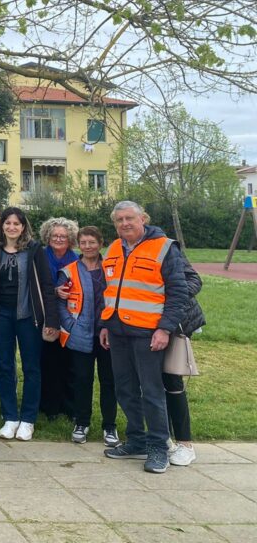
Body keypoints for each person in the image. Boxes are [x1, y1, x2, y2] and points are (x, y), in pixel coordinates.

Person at [100, 201, 188, 474]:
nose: (124, 223)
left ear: (143, 219)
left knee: (151, 392)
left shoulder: (164, 247)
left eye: (129, 218)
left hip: (148, 333)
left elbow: (178, 292)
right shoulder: (114, 248)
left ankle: (158, 446)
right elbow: (109, 289)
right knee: (125, 389)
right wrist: (105, 324)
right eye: (119, 220)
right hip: (117, 331)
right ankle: (136, 440)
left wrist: (165, 328)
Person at [0, 207, 59, 442]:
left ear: (23, 227)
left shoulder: (34, 250)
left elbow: (46, 285)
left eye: (16, 224)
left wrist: (51, 319)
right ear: (2, 225)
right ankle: (10, 416)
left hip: (28, 316)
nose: (12, 227)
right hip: (0, 316)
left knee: (31, 368)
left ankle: (28, 419)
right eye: (8, 223)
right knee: (3, 366)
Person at [56, 226, 119, 447]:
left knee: (109, 381)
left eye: (92, 242)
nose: (88, 246)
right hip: (81, 334)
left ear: (101, 243)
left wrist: (112, 326)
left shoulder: (112, 268)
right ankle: (81, 422)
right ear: (78, 245)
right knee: (82, 380)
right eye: (83, 243)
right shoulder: (68, 271)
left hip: (107, 334)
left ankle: (109, 426)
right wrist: (70, 326)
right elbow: (60, 302)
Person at [166, 246, 205, 467]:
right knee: (150, 384)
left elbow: (194, 280)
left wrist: (171, 299)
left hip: (173, 323)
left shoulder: (166, 247)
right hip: (142, 325)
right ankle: (163, 437)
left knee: (172, 380)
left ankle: (185, 443)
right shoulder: (124, 249)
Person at [38, 217, 79, 422]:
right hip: (46, 315)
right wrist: (55, 291)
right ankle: (49, 406)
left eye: (63, 236)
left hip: (71, 316)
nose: (59, 239)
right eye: (55, 235)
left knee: (69, 363)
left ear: (70, 238)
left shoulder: (77, 259)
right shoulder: (40, 256)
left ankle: (69, 406)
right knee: (48, 361)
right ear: (48, 236)